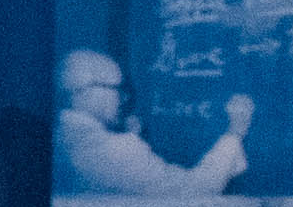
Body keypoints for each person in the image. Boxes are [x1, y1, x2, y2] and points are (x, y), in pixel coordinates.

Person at [52, 50, 253, 198]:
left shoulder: (56, 139)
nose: (123, 100)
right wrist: (235, 132)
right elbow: (194, 191)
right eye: (117, 90)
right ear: (89, 92)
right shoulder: (118, 150)